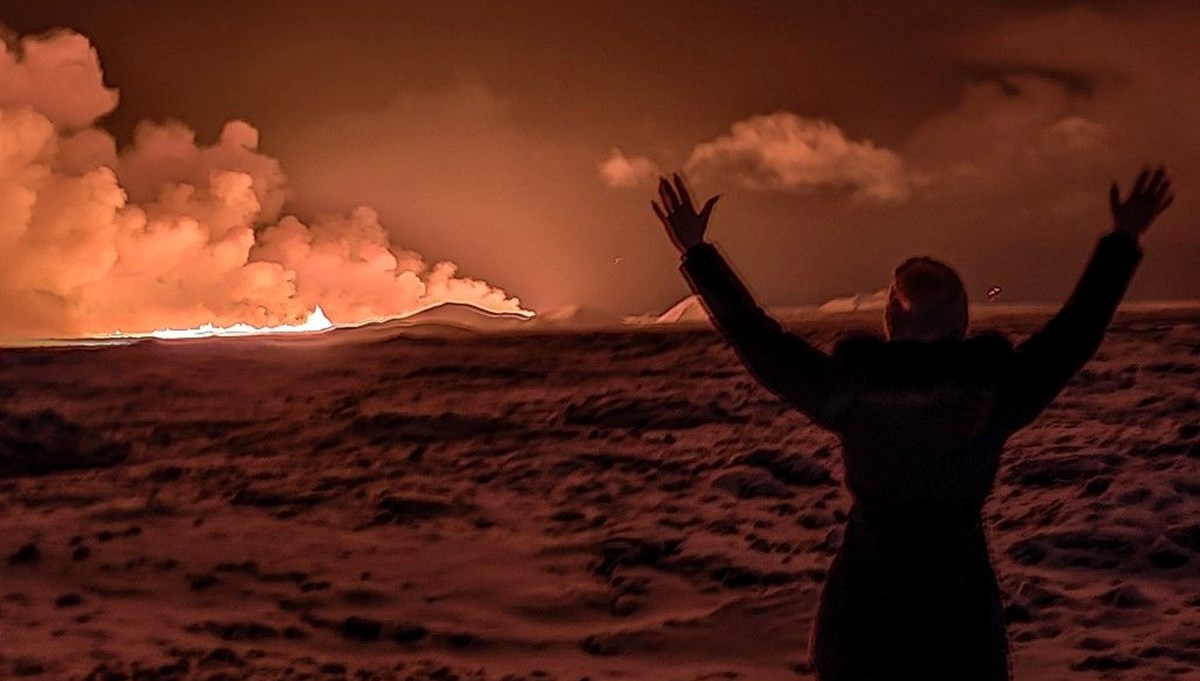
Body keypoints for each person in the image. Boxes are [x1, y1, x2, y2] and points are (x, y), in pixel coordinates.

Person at [651, 168, 1174, 680]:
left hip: (863, 618)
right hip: (960, 623)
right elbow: (1074, 333)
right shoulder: (993, 394)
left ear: (890, 323)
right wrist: (1123, 239)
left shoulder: (852, 394)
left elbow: (758, 341)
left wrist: (697, 253)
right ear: (963, 323)